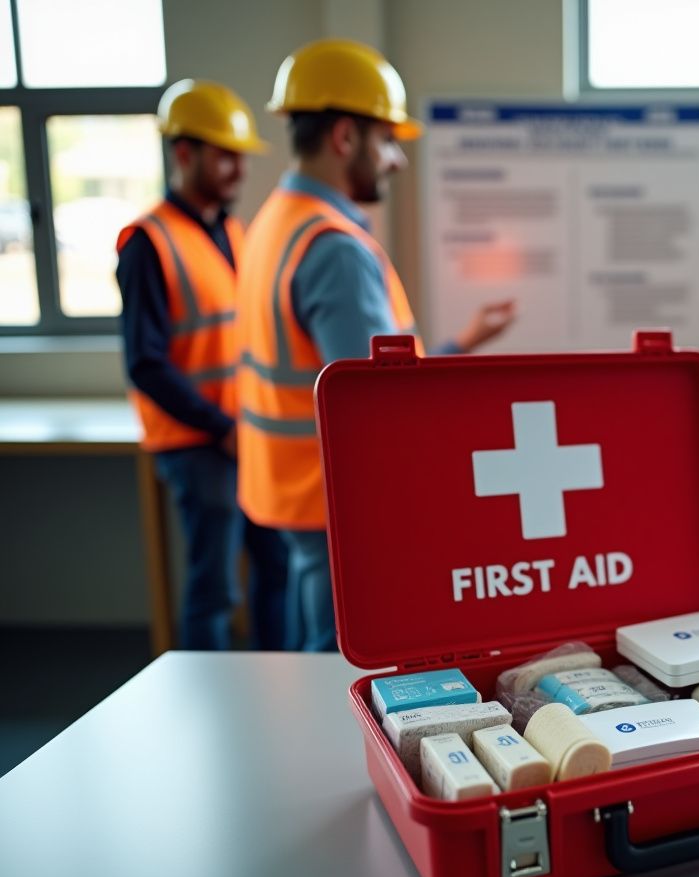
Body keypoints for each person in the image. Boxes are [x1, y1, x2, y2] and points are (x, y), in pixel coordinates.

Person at [236, 39, 515, 652]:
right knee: (334, 661)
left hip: (293, 492)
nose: (396, 159)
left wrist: (461, 343)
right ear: (344, 137)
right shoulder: (333, 247)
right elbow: (374, 407)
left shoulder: (274, 222)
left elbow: (357, 369)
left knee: (312, 652)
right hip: (335, 506)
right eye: (387, 140)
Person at [117, 79, 288, 651]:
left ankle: (276, 688)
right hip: (196, 442)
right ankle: (209, 710)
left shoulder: (232, 233)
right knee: (216, 589)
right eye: (224, 155)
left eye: (241, 156)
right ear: (183, 153)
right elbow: (144, 362)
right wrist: (221, 430)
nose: (238, 170)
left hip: (244, 434)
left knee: (278, 564)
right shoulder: (149, 243)